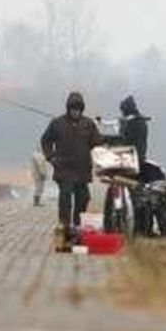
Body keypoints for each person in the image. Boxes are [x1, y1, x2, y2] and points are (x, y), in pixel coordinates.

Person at [40, 91, 103, 231]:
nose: (76, 112)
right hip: (64, 169)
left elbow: (97, 142)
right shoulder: (57, 123)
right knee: (65, 198)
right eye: (73, 109)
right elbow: (45, 140)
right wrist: (51, 157)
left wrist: (108, 141)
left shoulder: (89, 124)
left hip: (82, 170)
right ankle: (65, 225)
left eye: (79, 109)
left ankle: (77, 224)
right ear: (68, 108)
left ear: (82, 109)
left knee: (84, 198)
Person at [119, 95, 148, 164]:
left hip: (132, 156)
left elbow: (125, 139)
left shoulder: (133, 122)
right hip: (137, 155)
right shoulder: (139, 120)